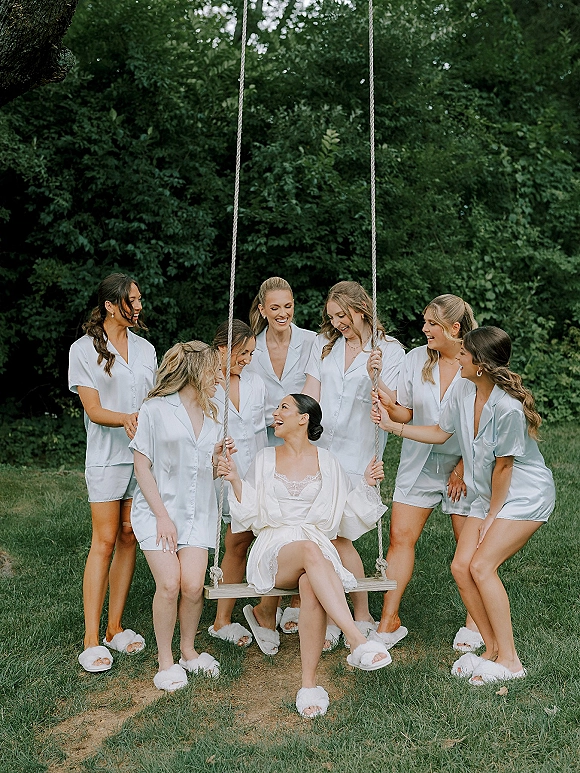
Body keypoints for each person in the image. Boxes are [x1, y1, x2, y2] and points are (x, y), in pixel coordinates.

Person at [372, 327, 555, 685]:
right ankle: (490, 649)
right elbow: (441, 433)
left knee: (483, 566)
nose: (458, 359)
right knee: (460, 566)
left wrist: (490, 516)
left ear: (481, 365)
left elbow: (505, 467)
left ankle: (512, 662)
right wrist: (394, 427)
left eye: (465, 355)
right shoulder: (462, 388)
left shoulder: (509, 409)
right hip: (488, 495)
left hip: (522, 494)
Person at [217, 394, 392, 718]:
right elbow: (251, 515)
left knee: (312, 584)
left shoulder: (327, 461)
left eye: (284, 407)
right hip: (274, 548)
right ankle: (356, 639)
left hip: (315, 546)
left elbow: (341, 519)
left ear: (304, 418)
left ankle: (309, 684)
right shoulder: (265, 459)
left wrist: (366, 485)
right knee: (312, 553)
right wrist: (235, 480)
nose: (275, 413)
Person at [371, 295, 482, 652]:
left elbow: (483, 423)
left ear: (454, 328)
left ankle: (475, 621)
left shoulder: (477, 362)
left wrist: (464, 467)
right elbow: (406, 412)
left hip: (465, 467)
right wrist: (386, 398)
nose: (424, 329)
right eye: (424, 322)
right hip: (418, 462)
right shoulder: (415, 358)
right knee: (399, 538)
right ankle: (389, 621)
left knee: (468, 547)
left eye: (432, 324)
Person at [302, 280, 405, 641]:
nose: (337, 323)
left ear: (361, 309)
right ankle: (342, 613)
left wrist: (372, 375)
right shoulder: (323, 343)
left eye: (342, 315)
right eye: (332, 316)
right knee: (322, 531)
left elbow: (394, 405)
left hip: (361, 447)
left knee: (341, 531)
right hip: (322, 445)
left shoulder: (389, 351)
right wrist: (303, 429)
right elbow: (311, 393)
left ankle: (355, 613)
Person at [130, 342, 231, 691]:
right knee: (170, 584)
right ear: (196, 371)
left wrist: (219, 463)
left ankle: (188, 651)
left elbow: (208, 470)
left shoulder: (215, 412)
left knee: (191, 586)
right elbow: (141, 465)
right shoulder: (155, 409)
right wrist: (161, 517)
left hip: (198, 512)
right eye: (215, 370)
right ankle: (166, 661)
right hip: (159, 511)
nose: (220, 377)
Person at [69, 273, 156, 673]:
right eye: (131, 301)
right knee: (103, 541)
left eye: (139, 300)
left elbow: (155, 402)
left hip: (141, 457)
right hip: (106, 458)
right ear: (109, 305)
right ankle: (90, 639)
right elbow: (93, 409)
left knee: (129, 535)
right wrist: (128, 418)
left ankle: (114, 628)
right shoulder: (83, 350)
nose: (138, 306)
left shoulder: (146, 349)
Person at [245, 276, 316, 634]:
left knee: (302, 513)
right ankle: (267, 598)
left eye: (288, 306)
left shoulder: (311, 342)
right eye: (275, 308)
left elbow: (315, 389)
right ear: (262, 310)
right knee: (272, 517)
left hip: (300, 438)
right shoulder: (250, 347)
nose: (283, 313)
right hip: (264, 439)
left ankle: (298, 601)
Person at [208, 319, 269, 649]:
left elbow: (264, 429)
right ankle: (221, 618)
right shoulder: (204, 382)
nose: (248, 359)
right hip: (220, 471)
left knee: (252, 538)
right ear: (222, 349)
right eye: (243, 353)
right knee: (232, 541)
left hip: (253, 470)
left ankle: (258, 611)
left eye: (251, 353)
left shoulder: (256, 382)